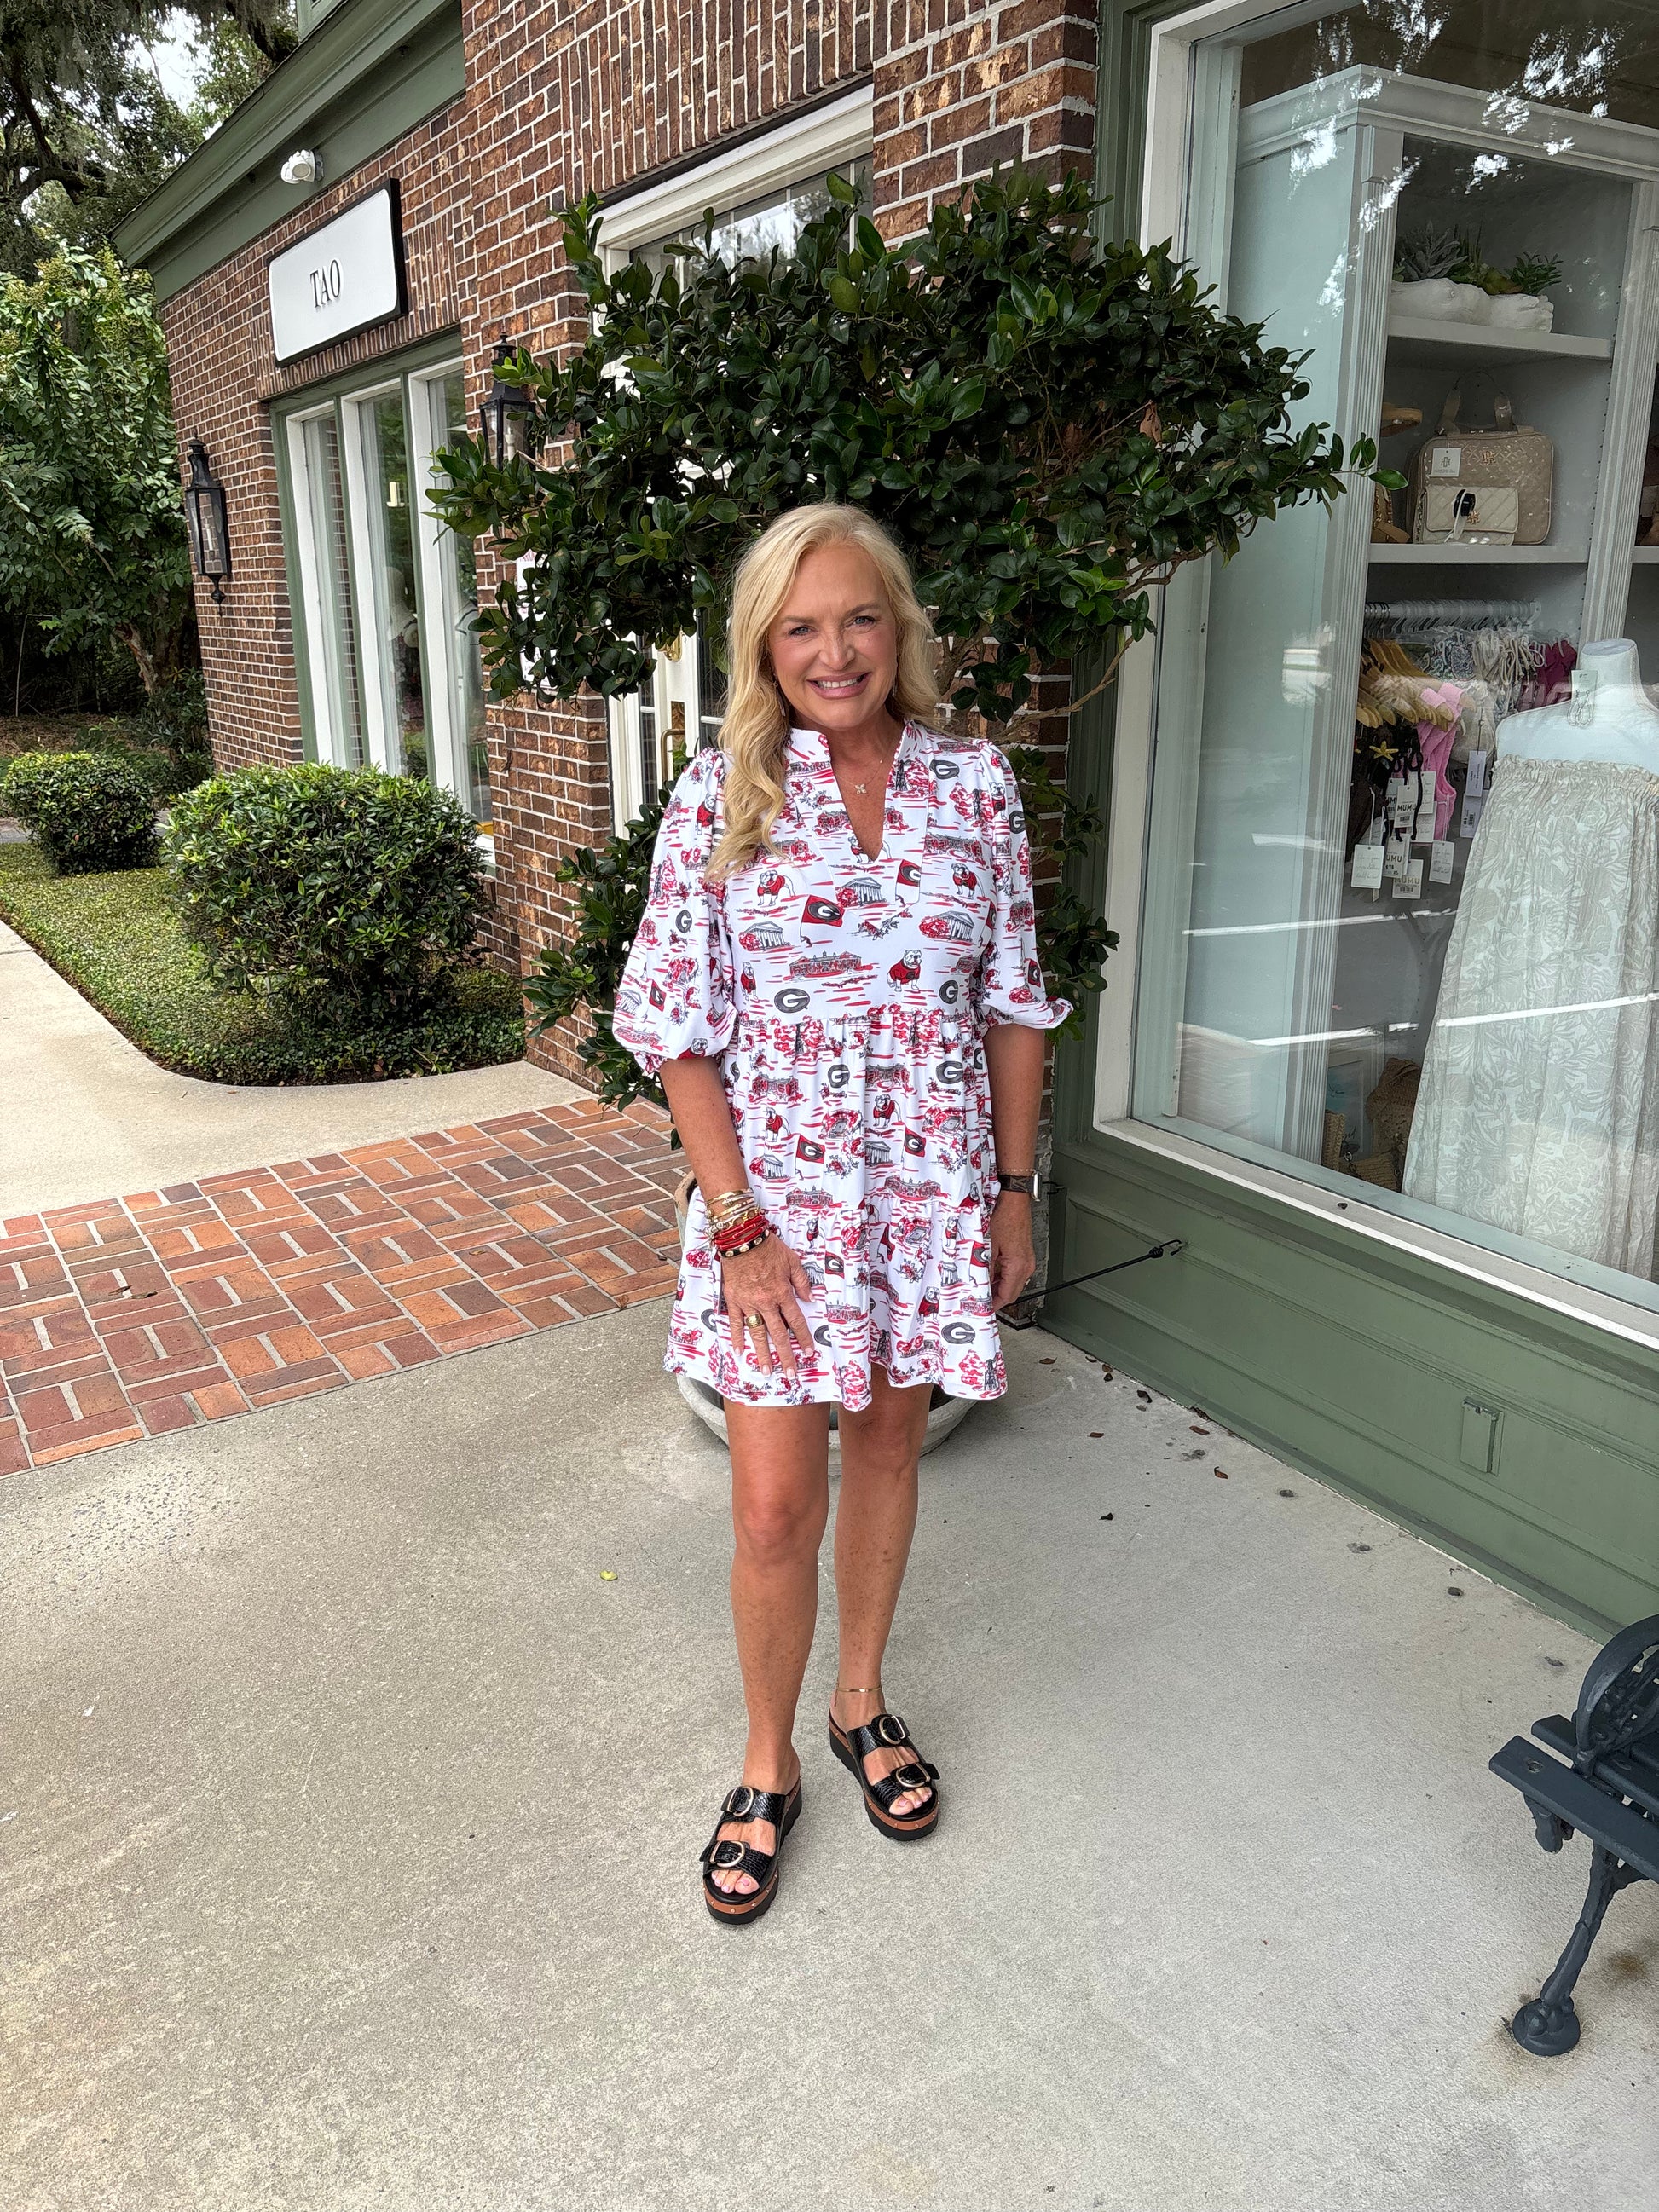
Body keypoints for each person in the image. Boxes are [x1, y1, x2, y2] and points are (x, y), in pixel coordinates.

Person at [613, 504, 1069, 1923]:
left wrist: (1008, 1191)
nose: (834, 650)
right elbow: (677, 1032)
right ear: (762, 643)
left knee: (888, 1448)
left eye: (858, 618)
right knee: (768, 1504)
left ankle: (857, 1705)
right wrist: (737, 1223)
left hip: (932, 1187)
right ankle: (765, 1761)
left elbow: (1008, 1005)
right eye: (800, 626)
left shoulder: (974, 785)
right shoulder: (720, 795)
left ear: (899, 629)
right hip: (778, 1215)